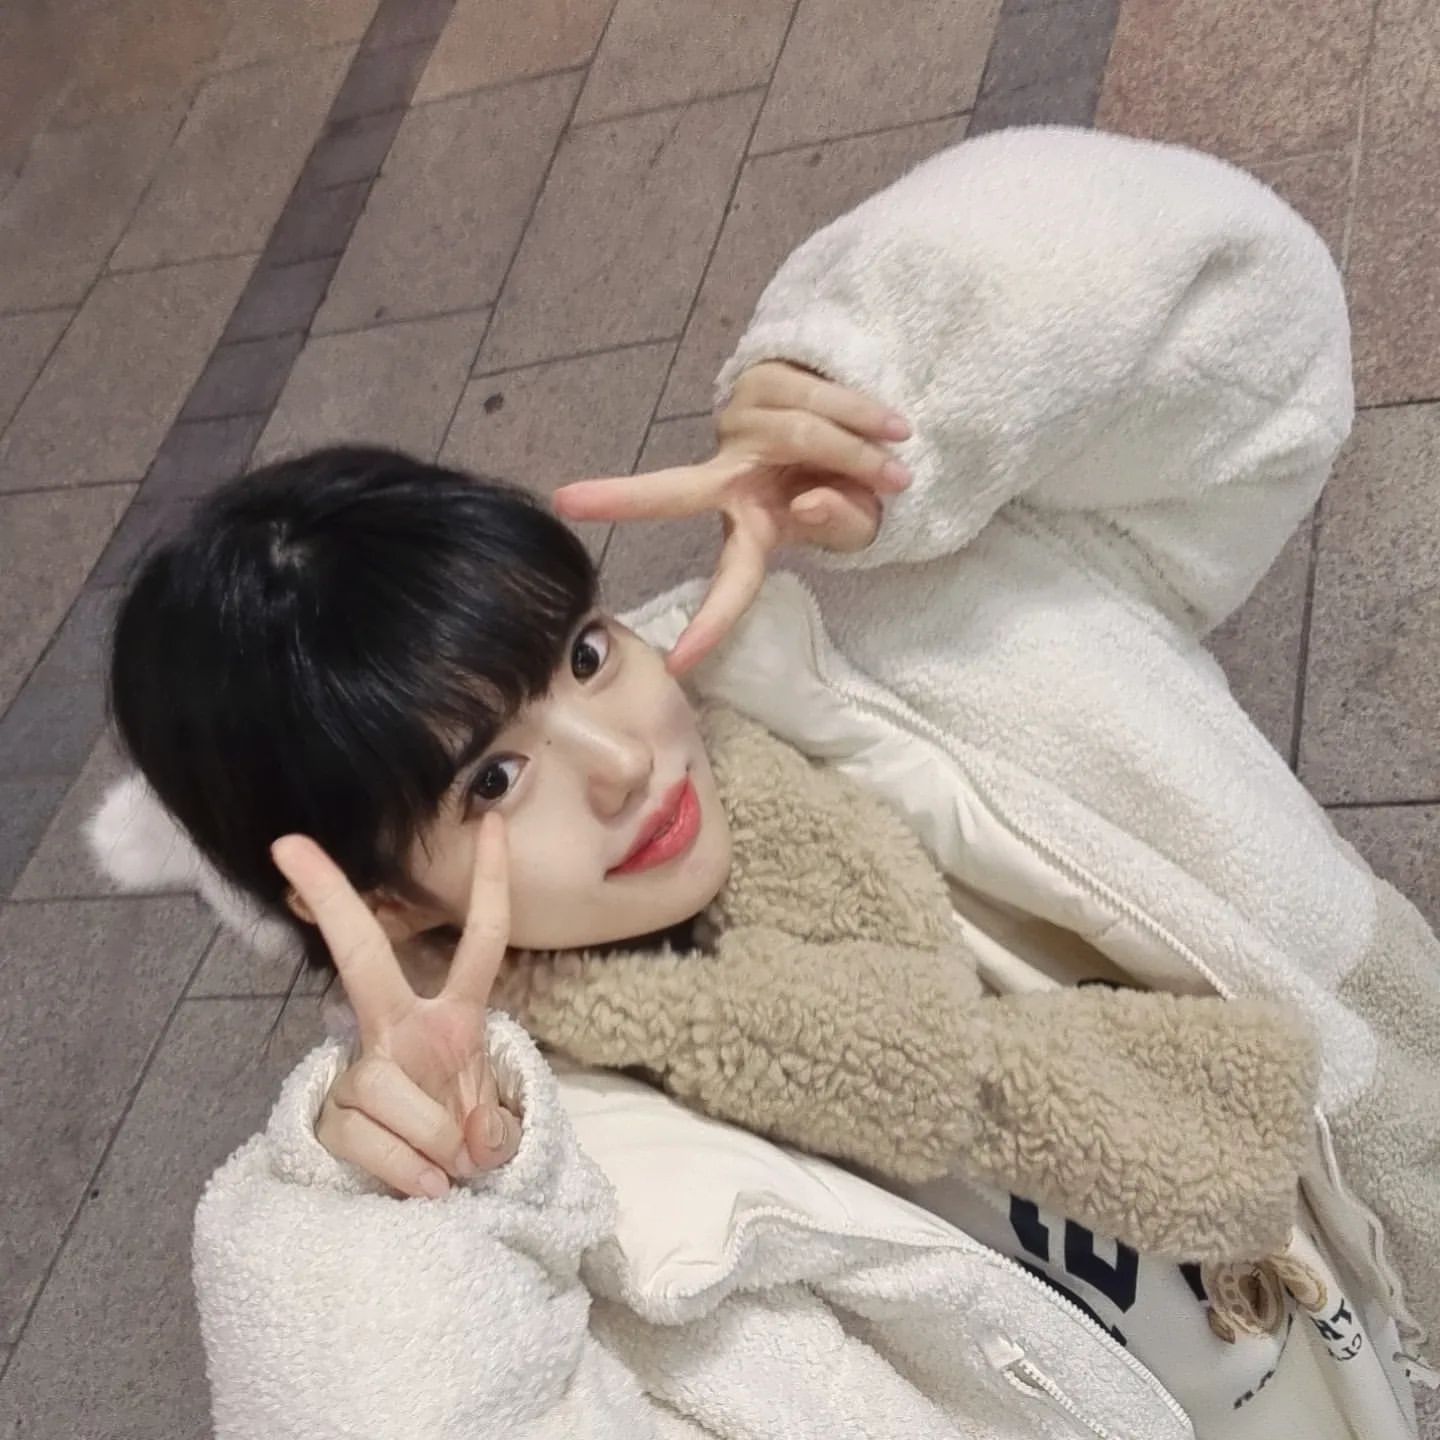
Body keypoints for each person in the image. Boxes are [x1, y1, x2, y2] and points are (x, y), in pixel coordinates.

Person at [90, 126, 1437, 1439]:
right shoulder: (563, 1191)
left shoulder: (904, 655)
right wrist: (386, 1230)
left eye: (584, 653)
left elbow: (1256, 338)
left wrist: (884, 388)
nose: (624, 758)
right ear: (381, 898)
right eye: (492, 778)